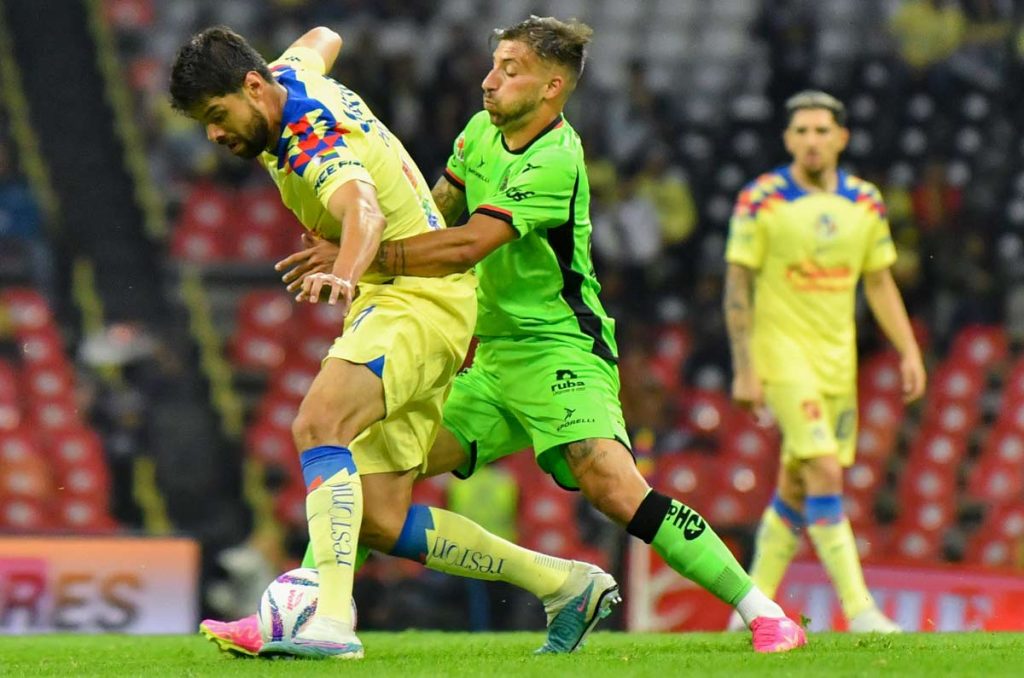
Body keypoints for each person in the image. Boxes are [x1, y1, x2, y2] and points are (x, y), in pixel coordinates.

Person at [269, 16, 806, 653]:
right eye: (493, 65)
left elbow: (467, 244)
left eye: (509, 71)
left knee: (611, 486)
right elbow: (436, 214)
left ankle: (765, 612)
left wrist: (360, 257)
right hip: (490, 357)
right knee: (363, 490)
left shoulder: (556, 158)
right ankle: (556, 587)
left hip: (561, 350)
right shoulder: (478, 133)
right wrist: (361, 238)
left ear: (552, 87)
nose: (488, 81)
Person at [171, 26, 619, 660]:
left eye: (217, 116)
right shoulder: (289, 76)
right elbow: (323, 37)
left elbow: (365, 213)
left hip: (414, 301)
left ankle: (325, 619)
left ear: (251, 88)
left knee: (319, 423)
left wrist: (343, 273)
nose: (214, 134)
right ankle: (565, 584)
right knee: (380, 517)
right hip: (422, 301)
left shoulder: (313, 141)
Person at [723, 91, 927, 633]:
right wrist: (745, 367)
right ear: (788, 139)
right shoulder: (761, 199)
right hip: (782, 356)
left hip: (839, 363)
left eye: (822, 131)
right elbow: (737, 284)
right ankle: (860, 610)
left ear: (841, 138)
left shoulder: (865, 202)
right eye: (802, 132)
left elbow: (879, 282)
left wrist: (908, 350)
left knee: (796, 485)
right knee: (824, 469)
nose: (812, 141)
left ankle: (750, 610)